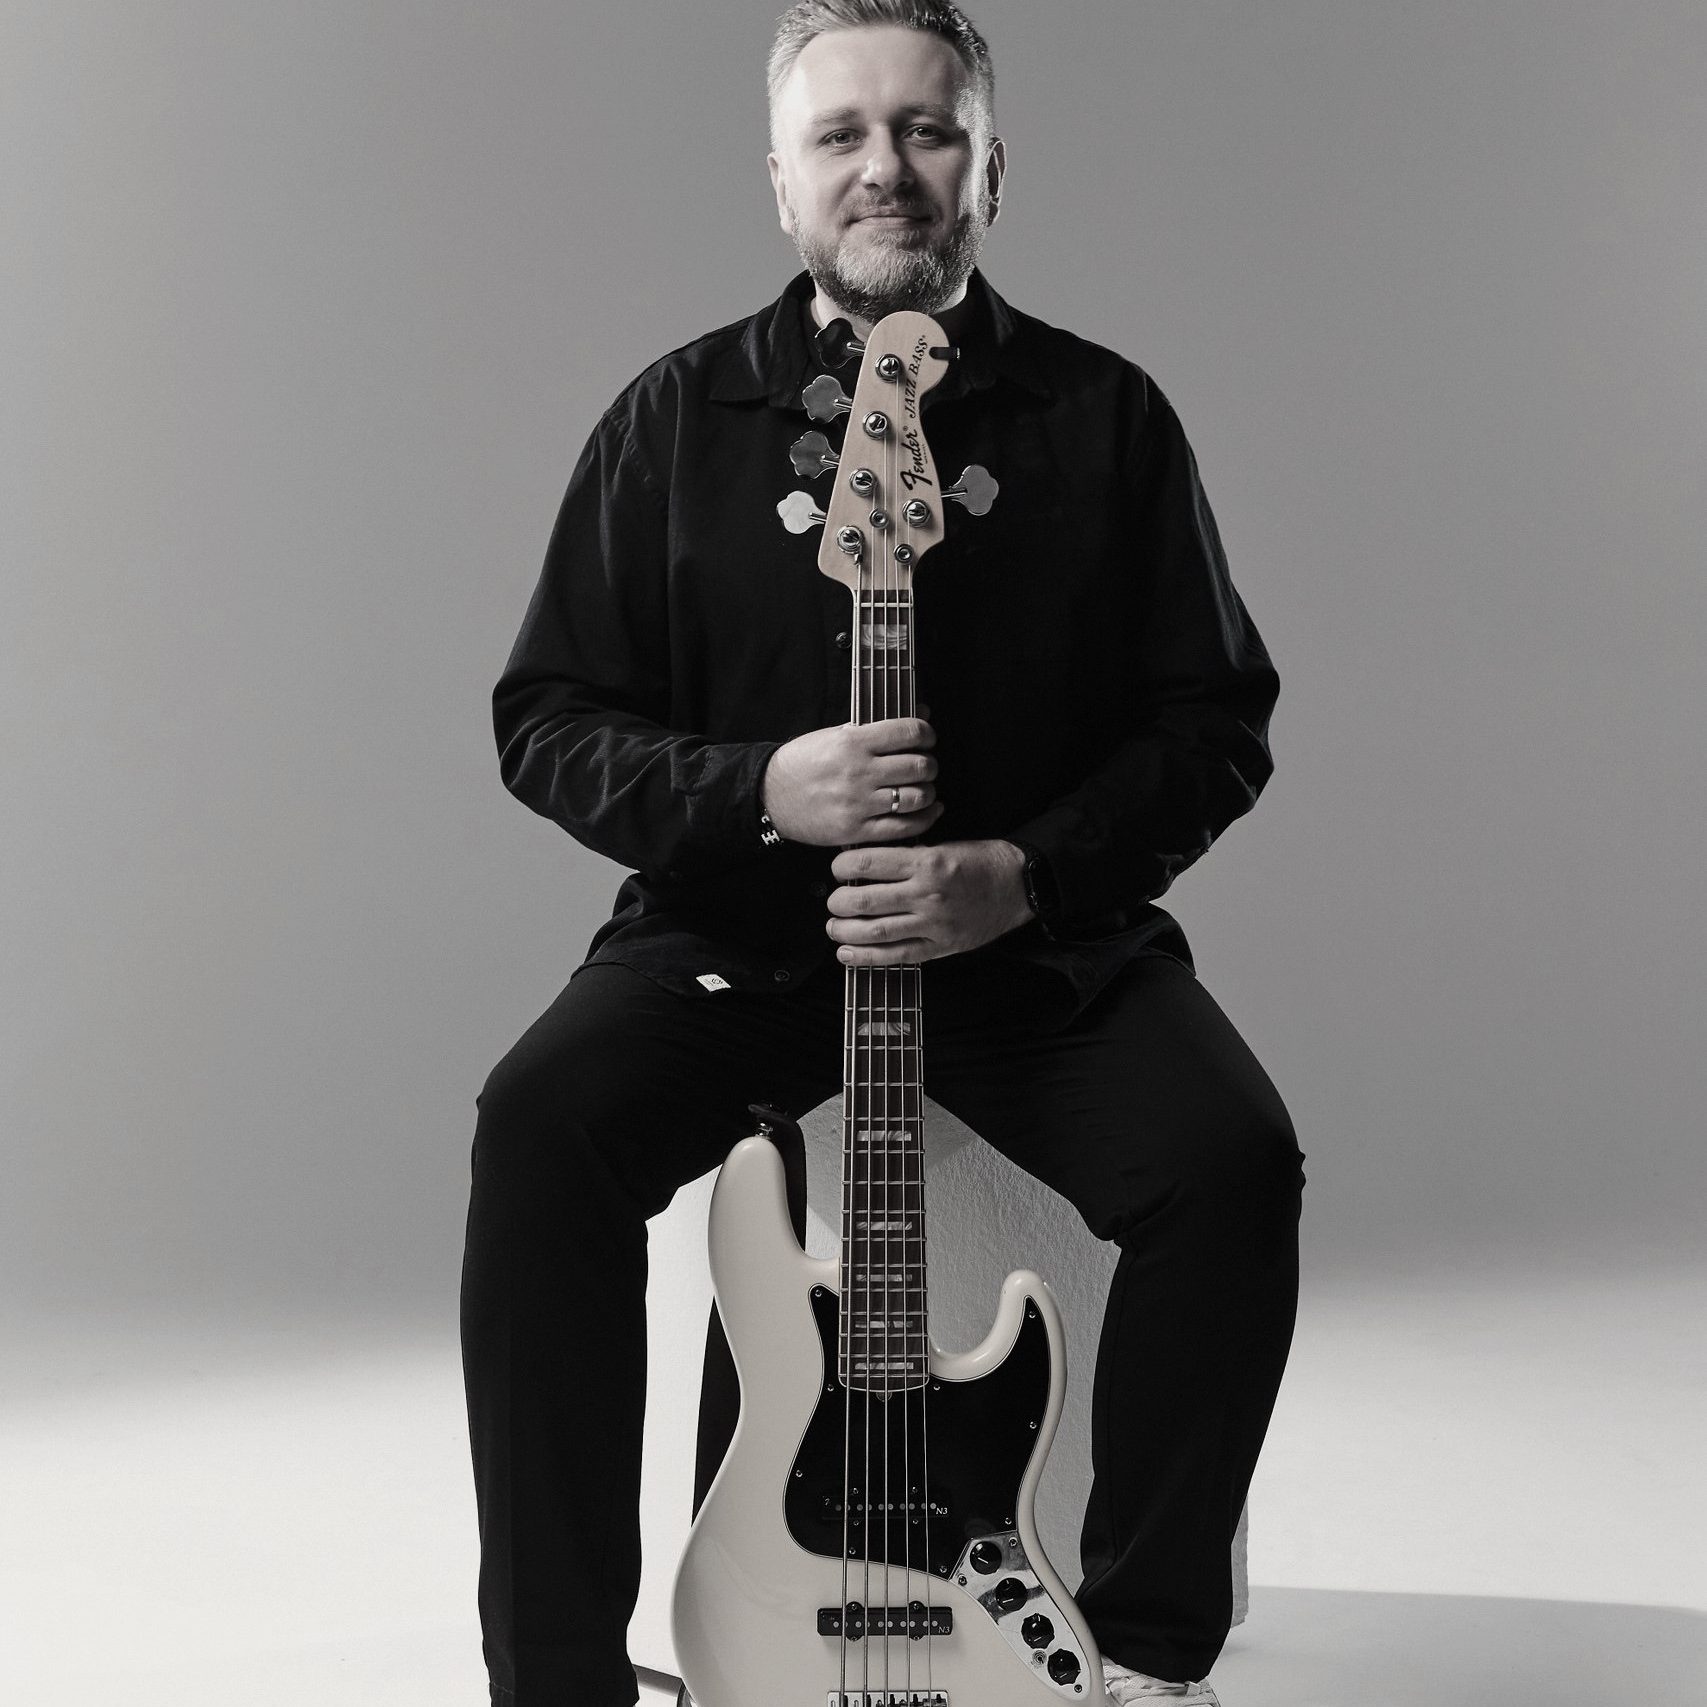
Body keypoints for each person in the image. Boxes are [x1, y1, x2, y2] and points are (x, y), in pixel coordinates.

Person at [460, 4, 1306, 1704]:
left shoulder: (1104, 416)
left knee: (1230, 1164)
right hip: (741, 943)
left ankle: (1140, 1655)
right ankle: (558, 1680)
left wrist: (1027, 874)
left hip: (1029, 955)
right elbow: (546, 717)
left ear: (991, 166)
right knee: (539, 1131)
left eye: (926, 129)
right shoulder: (674, 418)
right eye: (839, 135)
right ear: (780, 179)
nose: (885, 169)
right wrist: (758, 792)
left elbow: (1214, 722)